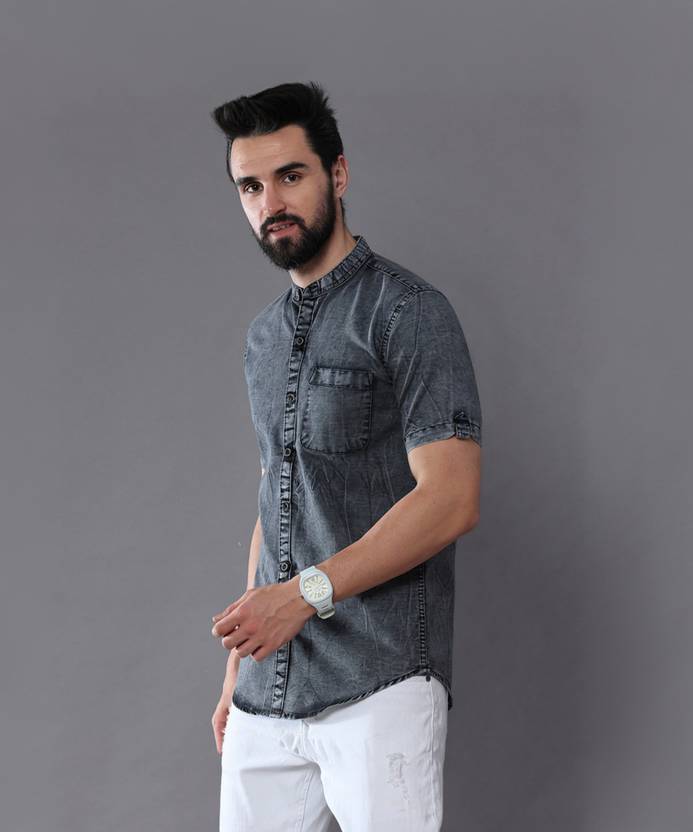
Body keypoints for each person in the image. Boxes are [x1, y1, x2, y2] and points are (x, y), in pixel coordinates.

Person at [208, 81, 483, 831]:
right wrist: (238, 667)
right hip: (269, 690)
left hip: (379, 679)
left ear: (338, 173)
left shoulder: (409, 312)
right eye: (250, 186)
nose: (271, 202)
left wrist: (301, 597)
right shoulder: (262, 338)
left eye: (290, 175)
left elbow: (452, 498)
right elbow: (278, 496)